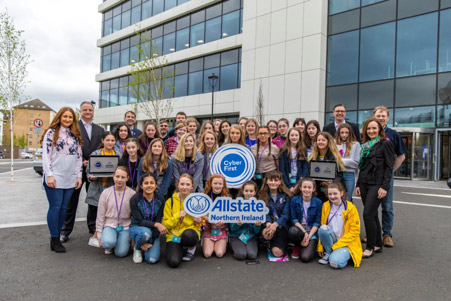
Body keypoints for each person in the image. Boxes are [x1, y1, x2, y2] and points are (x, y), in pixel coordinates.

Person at [61, 101, 104, 243]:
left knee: (93, 200)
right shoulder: (73, 127)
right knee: (71, 201)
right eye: (84, 110)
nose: (87, 112)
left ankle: (92, 227)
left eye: (90, 110)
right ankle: (65, 231)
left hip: (94, 170)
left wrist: (92, 163)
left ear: (93, 112)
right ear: (80, 111)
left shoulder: (99, 129)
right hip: (77, 169)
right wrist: (82, 161)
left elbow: (101, 148)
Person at [41, 107, 83, 252]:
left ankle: (57, 236)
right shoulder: (51, 133)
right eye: (65, 116)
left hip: (70, 177)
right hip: (55, 175)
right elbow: (46, 155)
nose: (67, 119)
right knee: (56, 207)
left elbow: (79, 157)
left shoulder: (75, 135)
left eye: (70, 117)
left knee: (64, 208)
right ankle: (54, 238)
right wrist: (49, 174)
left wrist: (79, 176)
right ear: (59, 117)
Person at [355, 118, 394, 258]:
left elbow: (389, 168)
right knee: (372, 215)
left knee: (367, 215)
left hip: (377, 184)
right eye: (369, 129)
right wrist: (358, 184)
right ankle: (378, 244)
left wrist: (384, 187)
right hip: (364, 183)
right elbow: (362, 166)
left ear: (379, 130)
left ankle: (370, 247)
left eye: (374, 128)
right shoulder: (365, 145)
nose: (371, 131)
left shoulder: (385, 144)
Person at [373, 106, 407, 248]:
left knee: (387, 206)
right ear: (374, 116)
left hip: (386, 177)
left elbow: (401, 156)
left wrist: (390, 171)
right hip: (371, 176)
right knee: (371, 206)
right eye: (378, 115)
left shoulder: (393, 134)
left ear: (388, 118)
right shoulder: (369, 132)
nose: (381, 118)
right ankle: (373, 232)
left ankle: (387, 234)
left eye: (383, 116)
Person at [317, 182, 362, 268]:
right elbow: (323, 224)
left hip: (346, 242)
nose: (332, 196)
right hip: (333, 240)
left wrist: (337, 246)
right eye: (330, 194)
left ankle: (338, 255)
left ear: (341, 193)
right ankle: (331, 253)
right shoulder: (326, 205)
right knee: (322, 229)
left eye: (335, 193)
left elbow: (355, 232)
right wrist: (320, 247)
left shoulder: (351, 208)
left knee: (334, 263)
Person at [162, 174, 203, 268]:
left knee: (189, 235)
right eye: (182, 184)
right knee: (173, 262)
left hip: (189, 233)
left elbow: (201, 223)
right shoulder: (170, 201)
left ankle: (191, 248)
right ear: (177, 185)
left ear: (192, 186)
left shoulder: (197, 200)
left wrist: (199, 221)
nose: (185, 187)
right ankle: (178, 248)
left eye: (188, 184)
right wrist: (177, 216)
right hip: (174, 235)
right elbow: (165, 225)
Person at [95, 166, 135, 257]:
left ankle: (121, 242)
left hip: (125, 227)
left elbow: (135, 216)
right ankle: (110, 243)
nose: (119, 180)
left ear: (127, 178)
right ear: (113, 176)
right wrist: (99, 236)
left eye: (123, 177)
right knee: (108, 243)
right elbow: (100, 215)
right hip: (110, 225)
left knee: (120, 253)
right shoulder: (106, 193)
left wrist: (133, 237)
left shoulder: (132, 194)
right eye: (117, 177)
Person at [129, 173, 168, 264]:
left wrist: (151, 241)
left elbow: (158, 219)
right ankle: (137, 248)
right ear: (141, 186)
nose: (149, 185)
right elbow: (139, 221)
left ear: (156, 185)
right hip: (138, 228)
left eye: (152, 183)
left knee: (152, 259)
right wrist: (157, 225)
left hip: (154, 231)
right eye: (146, 183)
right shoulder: (134, 199)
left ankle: (146, 243)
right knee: (145, 233)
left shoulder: (160, 200)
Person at [85, 131, 117, 241]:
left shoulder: (118, 154)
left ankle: (106, 230)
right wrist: (90, 176)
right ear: (102, 140)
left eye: (112, 140)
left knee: (109, 210)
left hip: (111, 186)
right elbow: (88, 170)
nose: (110, 142)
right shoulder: (95, 154)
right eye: (107, 140)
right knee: (94, 209)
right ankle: (93, 231)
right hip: (97, 186)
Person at [288, 178, 322, 262]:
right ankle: (296, 245)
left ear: (313, 189)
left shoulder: (318, 202)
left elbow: (317, 223)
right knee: (293, 231)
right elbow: (294, 219)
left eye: (309, 187)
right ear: (300, 188)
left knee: (305, 257)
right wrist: (304, 233)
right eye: (304, 187)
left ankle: (305, 245)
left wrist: (309, 236)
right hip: (300, 229)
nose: (307, 190)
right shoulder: (294, 200)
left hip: (312, 231)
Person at [259, 171, 291, 258]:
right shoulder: (261, 195)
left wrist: (276, 224)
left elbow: (286, 214)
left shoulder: (286, 195)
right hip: (268, 225)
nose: (273, 183)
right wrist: (268, 223)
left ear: (280, 182)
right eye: (271, 180)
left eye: (276, 180)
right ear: (266, 181)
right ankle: (270, 241)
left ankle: (277, 244)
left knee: (278, 253)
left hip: (281, 226)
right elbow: (262, 212)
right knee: (266, 234)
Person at [229, 181, 262, 261]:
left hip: (251, 236)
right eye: (246, 191)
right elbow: (232, 228)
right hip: (236, 236)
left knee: (252, 256)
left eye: (251, 191)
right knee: (241, 255)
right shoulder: (236, 205)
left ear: (255, 192)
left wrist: (257, 225)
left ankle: (248, 245)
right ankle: (233, 244)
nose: (248, 193)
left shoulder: (258, 205)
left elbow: (256, 231)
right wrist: (237, 224)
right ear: (242, 191)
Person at [308, 131, 345, 202]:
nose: (320, 142)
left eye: (323, 140)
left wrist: (332, 182)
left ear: (328, 142)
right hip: (317, 190)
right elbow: (310, 174)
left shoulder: (335, 156)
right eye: (318, 140)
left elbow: (340, 175)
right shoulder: (312, 157)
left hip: (332, 190)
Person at [202, 175, 230, 258]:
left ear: (223, 185)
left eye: (220, 184)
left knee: (219, 253)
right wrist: (211, 220)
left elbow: (230, 214)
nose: (217, 186)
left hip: (221, 228)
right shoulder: (205, 197)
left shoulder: (227, 198)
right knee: (207, 254)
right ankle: (205, 240)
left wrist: (223, 220)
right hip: (209, 227)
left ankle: (224, 241)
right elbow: (202, 214)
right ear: (211, 184)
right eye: (215, 183)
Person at [334, 123, 360, 202]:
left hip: (349, 174)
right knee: (336, 196)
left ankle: (347, 213)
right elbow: (333, 160)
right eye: (342, 133)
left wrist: (339, 160)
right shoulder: (334, 143)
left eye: (346, 133)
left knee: (347, 197)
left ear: (350, 133)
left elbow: (356, 163)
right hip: (337, 173)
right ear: (339, 133)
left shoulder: (355, 144)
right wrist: (349, 161)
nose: (344, 135)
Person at [279, 128, 309, 194]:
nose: (294, 137)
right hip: (287, 181)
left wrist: (299, 184)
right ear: (288, 137)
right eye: (292, 135)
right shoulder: (283, 150)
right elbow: (282, 169)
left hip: (299, 182)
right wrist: (288, 186)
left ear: (299, 137)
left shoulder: (303, 149)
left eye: (296, 135)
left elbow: (305, 167)